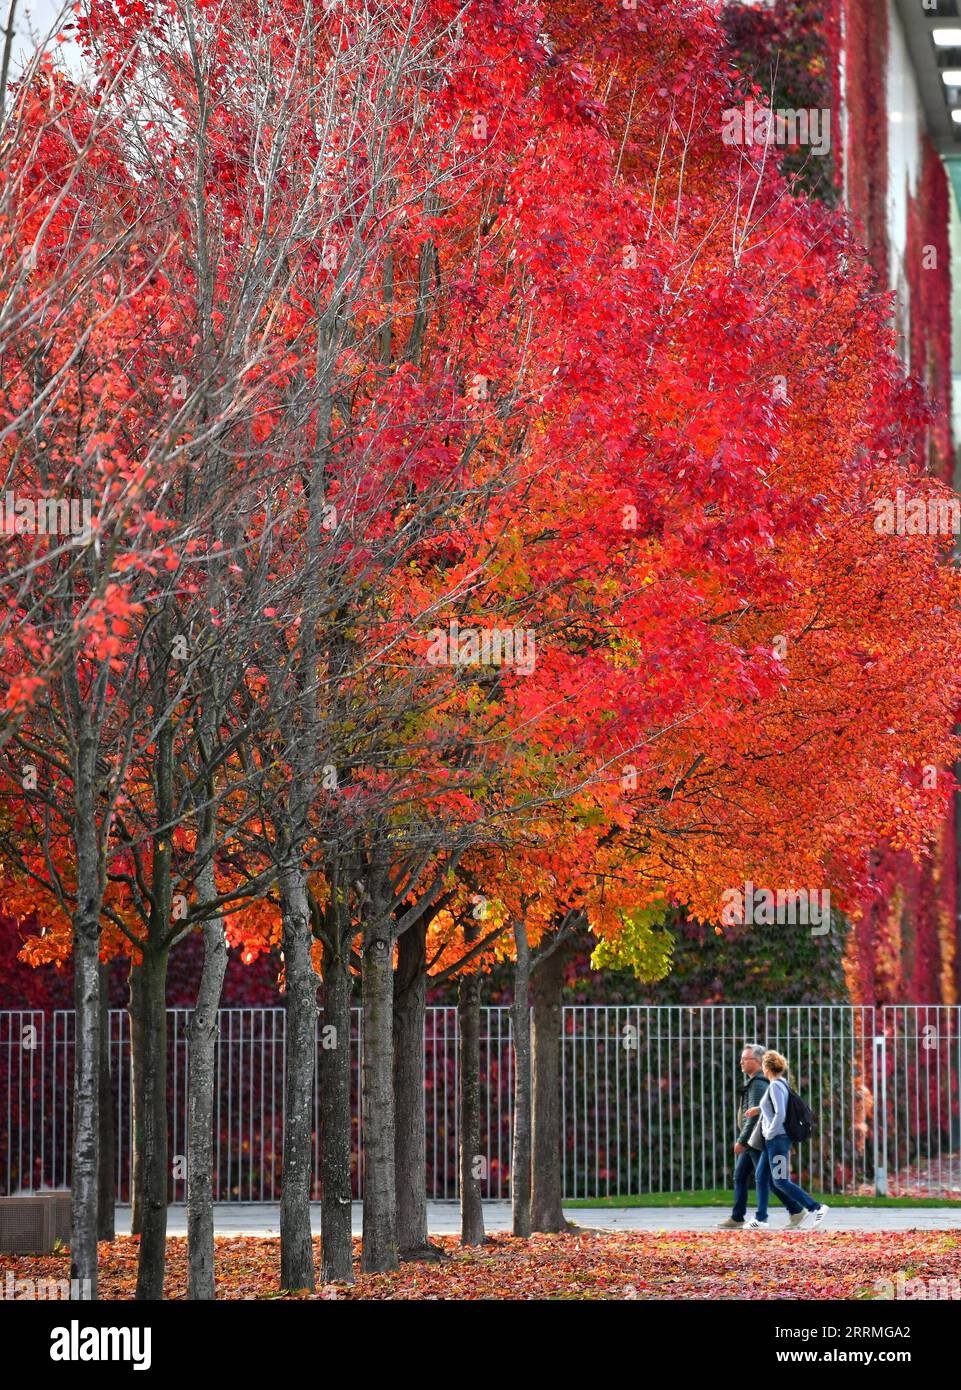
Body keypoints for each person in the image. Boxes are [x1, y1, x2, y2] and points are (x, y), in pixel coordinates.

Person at [718, 1043, 800, 1229]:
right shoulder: (756, 1083)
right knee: (742, 1176)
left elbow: (756, 1119)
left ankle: (794, 1210)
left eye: (745, 1059)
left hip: (755, 1141)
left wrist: (742, 1141)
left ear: (757, 1062)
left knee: (769, 1180)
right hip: (753, 1140)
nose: (741, 1062)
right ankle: (739, 1216)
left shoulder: (758, 1085)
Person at [746, 1050, 829, 1231]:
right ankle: (760, 1218)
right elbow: (774, 1108)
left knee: (780, 1180)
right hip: (773, 1140)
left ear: (766, 1067)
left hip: (777, 1140)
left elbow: (780, 1113)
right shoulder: (781, 1084)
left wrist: (770, 1133)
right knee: (761, 1177)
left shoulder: (775, 1086)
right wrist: (758, 1110)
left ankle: (816, 1207)